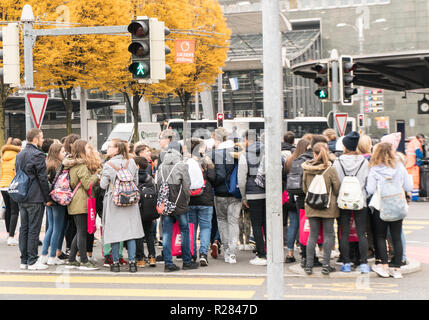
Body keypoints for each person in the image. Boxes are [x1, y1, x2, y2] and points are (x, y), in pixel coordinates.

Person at [366, 142, 413, 279]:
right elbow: (409, 185)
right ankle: (397, 269)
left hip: (381, 206)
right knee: (396, 236)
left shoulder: (374, 169)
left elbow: (370, 190)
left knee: (380, 236)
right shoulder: (399, 166)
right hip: (397, 204)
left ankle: (385, 267)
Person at [100, 140, 144, 273]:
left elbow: (102, 185)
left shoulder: (108, 165)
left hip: (114, 202)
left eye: (109, 147)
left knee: (115, 234)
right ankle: (132, 264)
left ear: (117, 149)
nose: (107, 149)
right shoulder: (131, 162)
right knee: (130, 233)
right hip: (130, 201)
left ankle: (115, 264)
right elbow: (135, 182)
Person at [155, 142, 199, 272]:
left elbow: (158, 184)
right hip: (179, 203)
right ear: (179, 151)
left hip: (166, 203)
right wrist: (186, 200)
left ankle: (168, 263)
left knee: (167, 232)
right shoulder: (182, 165)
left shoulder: (161, 166)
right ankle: (186, 261)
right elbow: (186, 186)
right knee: (185, 230)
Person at [333, 131, 370, 273]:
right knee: (361, 232)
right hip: (360, 200)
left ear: (345, 146)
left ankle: (346, 263)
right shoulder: (364, 162)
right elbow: (367, 183)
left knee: (344, 232)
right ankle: (364, 264)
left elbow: (335, 182)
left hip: (343, 200)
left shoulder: (338, 161)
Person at [15, 129, 52, 270]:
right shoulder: (37, 154)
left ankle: (24, 260)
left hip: (21, 196)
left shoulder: (20, 154)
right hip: (35, 197)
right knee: (33, 229)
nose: (42, 140)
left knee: (24, 228)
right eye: (41, 137)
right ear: (35, 139)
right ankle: (32, 261)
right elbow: (42, 178)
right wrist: (47, 197)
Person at [302, 142, 341, 275]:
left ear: (314, 153)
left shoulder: (307, 169)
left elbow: (304, 189)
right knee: (329, 234)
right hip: (328, 207)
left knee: (312, 235)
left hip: (312, 206)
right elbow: (337, 189)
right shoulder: (331, 169)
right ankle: (326, 265)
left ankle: (308, 265)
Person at [63, 140, 100, 271]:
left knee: (79, 231)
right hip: (81, 200)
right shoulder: (81, 166)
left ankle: (72, 259)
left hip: (76, 201)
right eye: (87, 148)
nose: (90, 150)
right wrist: (97, 175)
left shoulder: (72, 164)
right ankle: (84, 261)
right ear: (82, 150)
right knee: (82, 231)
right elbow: (88, 185)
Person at [212, 127, 243, 264]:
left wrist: (214, 183)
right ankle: (233, 253)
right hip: (236, 192)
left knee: (222, 221)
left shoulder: (216, 153)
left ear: (218, 139)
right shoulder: (238, 152)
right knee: (233, 222)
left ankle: (226, 251)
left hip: (220, 193)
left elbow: (219, 175)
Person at [238, 130, 267, 266]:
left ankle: (261, 254)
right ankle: (271, 251)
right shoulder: (267, 151)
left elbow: (242, 178)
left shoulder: (245, 155)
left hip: (253, 193)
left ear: (247, 140)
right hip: (269, 192)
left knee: (256, 224)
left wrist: (244, 197)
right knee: (268, 224)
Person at [187, 138, 216, 266]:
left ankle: (192, 253)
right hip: (205, 198)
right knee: (205, 227)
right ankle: (203, 253)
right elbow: (213, 177)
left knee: (191, 227)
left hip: (190, 198)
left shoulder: (185, 161)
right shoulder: (206, 160)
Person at [40, 143, 67, 265]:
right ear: (57, 153)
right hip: (58, 199)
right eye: (62, 151)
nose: (64, 153)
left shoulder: (47, 164)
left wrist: (46, 199)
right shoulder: (59, 166)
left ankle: (44, 254)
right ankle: (52, 256)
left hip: (48, 199)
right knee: (57, 228)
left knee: (50, 228)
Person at [284, 139, 310, 263]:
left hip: (290, 195)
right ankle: (303, 250)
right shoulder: (307, 161)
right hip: (302, 196)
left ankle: (290, 252)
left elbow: (285, 176)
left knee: (293, 224)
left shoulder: (290, 159)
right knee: (304, 224)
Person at [135, 156, 157, 268]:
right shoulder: (150, 179)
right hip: (149, 210)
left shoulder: (134, 178)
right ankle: (152, 257)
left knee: (138, 235)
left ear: (137, 166)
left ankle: (141, 258)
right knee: (149, 234)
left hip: (137, 210)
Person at [0, 137, 22, 246]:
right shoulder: (17, 157)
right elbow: (17, 174)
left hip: (3, 186)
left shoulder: (3, 157)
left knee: (8, 210)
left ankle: (9, 233)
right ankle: (12, 237)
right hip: (12, 186)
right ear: (18, 147)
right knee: (14, 211)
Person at [405, 133, 425, 200]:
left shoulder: (411, 142)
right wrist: (422, 157)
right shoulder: (417, 142)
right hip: (414, 164)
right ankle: (415, 197)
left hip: (409, 164)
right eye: (423, 139)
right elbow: (418, 153)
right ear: (420, 138)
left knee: (409, 180)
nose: (423, 140)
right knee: (415, 180)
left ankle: (409, 195)